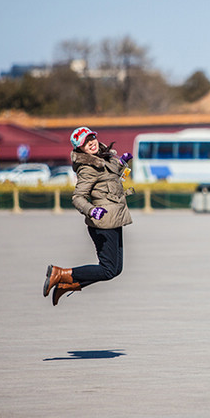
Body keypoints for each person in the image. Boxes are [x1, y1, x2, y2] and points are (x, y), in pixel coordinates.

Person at [43, 126, 134, 305]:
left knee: (115, 270)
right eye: (85, 143)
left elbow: (110, 178)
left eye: (91, 138)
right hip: (103, 222)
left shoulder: (103, 158)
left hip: (114, 219)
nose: (91, 143)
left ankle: (66, 285)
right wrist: (92, 210)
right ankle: (60, 274)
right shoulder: (87, 167)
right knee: (108, 270)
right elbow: (78, 197)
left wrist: (122, 164)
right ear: (80, 148)